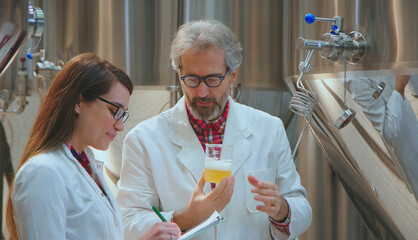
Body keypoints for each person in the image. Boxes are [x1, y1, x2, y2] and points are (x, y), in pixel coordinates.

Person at [117, 20, 312, 240]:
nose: (202, 92)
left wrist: (282, 210)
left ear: (233, 75)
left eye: (212, 79)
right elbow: (127, 222)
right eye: (191, 79)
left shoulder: (269, 129)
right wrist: (185, 218)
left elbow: (301, 206)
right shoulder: (144, 140)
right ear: (179, 73)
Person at [6, 53, 181, 240]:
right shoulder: (42, 172)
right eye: (114, 111)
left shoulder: (86, 164)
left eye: (123, 115)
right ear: (78, 102)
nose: (120, 125)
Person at [345, 74, 418, 218]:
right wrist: (399, 88)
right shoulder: (355, 81)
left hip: (414, 134)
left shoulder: (365, 61)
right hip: (410, 154)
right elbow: (389, 132)